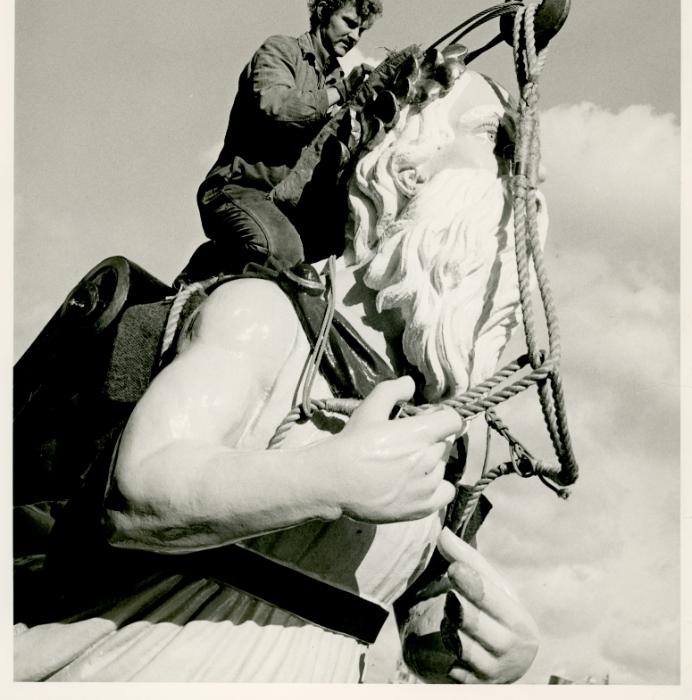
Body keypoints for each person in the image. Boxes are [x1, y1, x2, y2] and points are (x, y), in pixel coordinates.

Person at [14, 55, 542, 683]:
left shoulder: (442, 428)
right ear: (407, 163)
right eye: (495, 140)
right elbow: (140, 491)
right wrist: (324, 478)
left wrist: (483, 642)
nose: (523, 178)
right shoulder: (266, 317)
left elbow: (399, 621)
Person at [177, 0, 383, 285]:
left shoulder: (338, 80)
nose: (355, 36)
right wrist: (341, 93)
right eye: (349, 23)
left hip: (285, 209)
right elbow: (275, 107)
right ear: (324, 12)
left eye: (362, 31)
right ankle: (209, 268)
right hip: (236, 190)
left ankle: (218, 262)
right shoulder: (281, 50)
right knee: (285, 253)